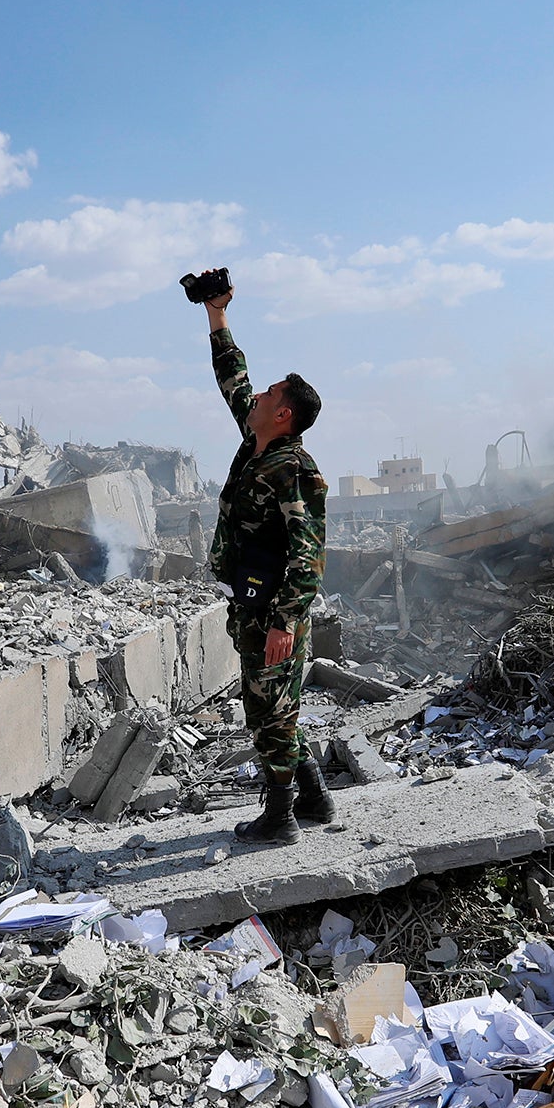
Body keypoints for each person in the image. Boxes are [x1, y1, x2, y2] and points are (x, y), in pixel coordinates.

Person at [195, 272, 332, 845]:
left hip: (273, 609)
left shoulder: (288, 468)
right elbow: (234, 379)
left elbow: (309, 549)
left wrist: (284, 619)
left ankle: (280, 818)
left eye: (270, 395)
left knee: (271, 712)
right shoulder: (256, 445)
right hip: (253, 603)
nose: (257, 396)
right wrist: (216, 314)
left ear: (284, 416)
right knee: (271, 705)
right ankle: (315, 796)